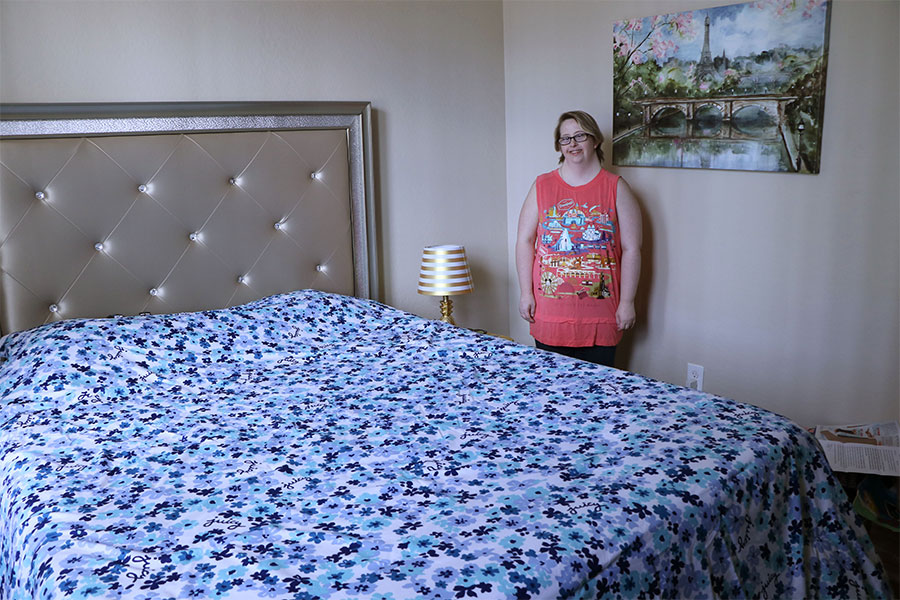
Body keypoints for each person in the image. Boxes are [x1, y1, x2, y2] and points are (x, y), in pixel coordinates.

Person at [516, 110, 642, 367]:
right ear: (559, 146)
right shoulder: (541, 185)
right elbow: (524, 241)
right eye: (565, 139)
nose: (572, 144)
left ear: (595, 140)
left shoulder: (616, 187)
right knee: (549, 391)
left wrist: (627, 302)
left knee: (599, 395)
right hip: (549, 314)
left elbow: (632, 249)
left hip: (602, 315)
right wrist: (525, 293)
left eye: (579, 136)